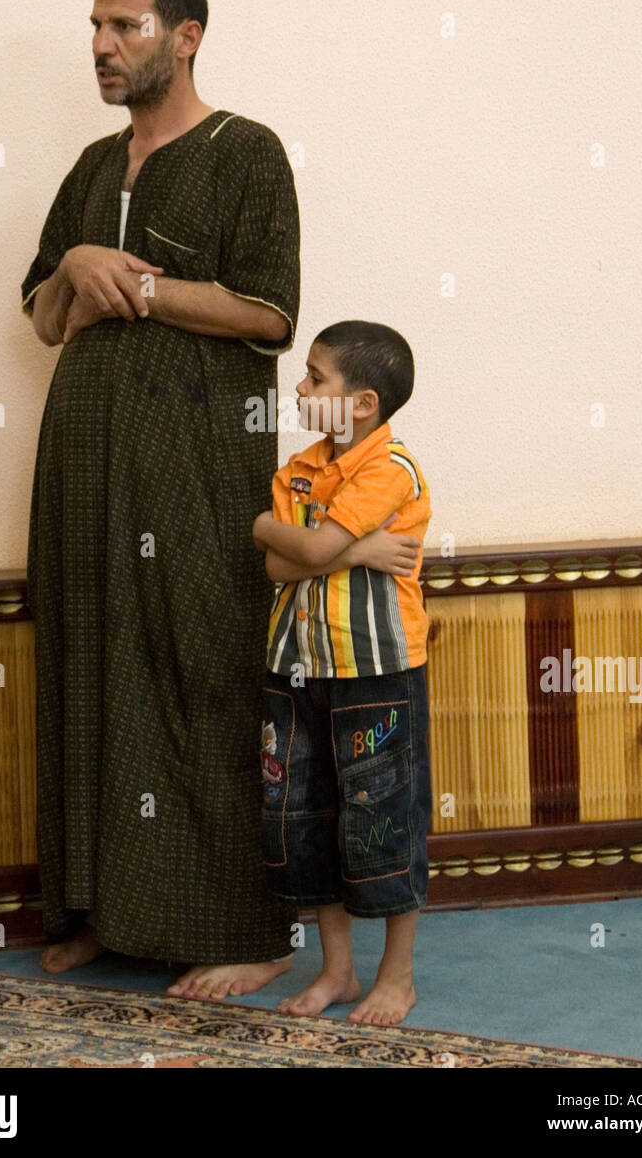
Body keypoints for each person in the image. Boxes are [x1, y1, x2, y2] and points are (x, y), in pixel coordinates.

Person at [20, 0, 303, 998]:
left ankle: (246, 924)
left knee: (199, 662)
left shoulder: (246, 152)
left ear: (184, 36)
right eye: (94, 26)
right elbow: (48, 318)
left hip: (194, 461)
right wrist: (70, 271)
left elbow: (271, 315)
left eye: (125, 27)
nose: (101, 46)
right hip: (86, 461)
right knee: (91, 654)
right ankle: (108, 906)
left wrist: (132, 279)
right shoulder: (93, 167)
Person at [252, 321, 432, 1025]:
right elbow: (278, 565)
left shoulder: (392, 470)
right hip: (295, 668)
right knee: (306, 814)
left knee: (382, 817)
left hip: (376, 673)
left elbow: (310, 544)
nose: (299, 387)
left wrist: (275, 530)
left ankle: (399, 976)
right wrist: (354, 552)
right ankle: (338, 971)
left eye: (314, 377)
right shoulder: (298, 469)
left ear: (361, 402)